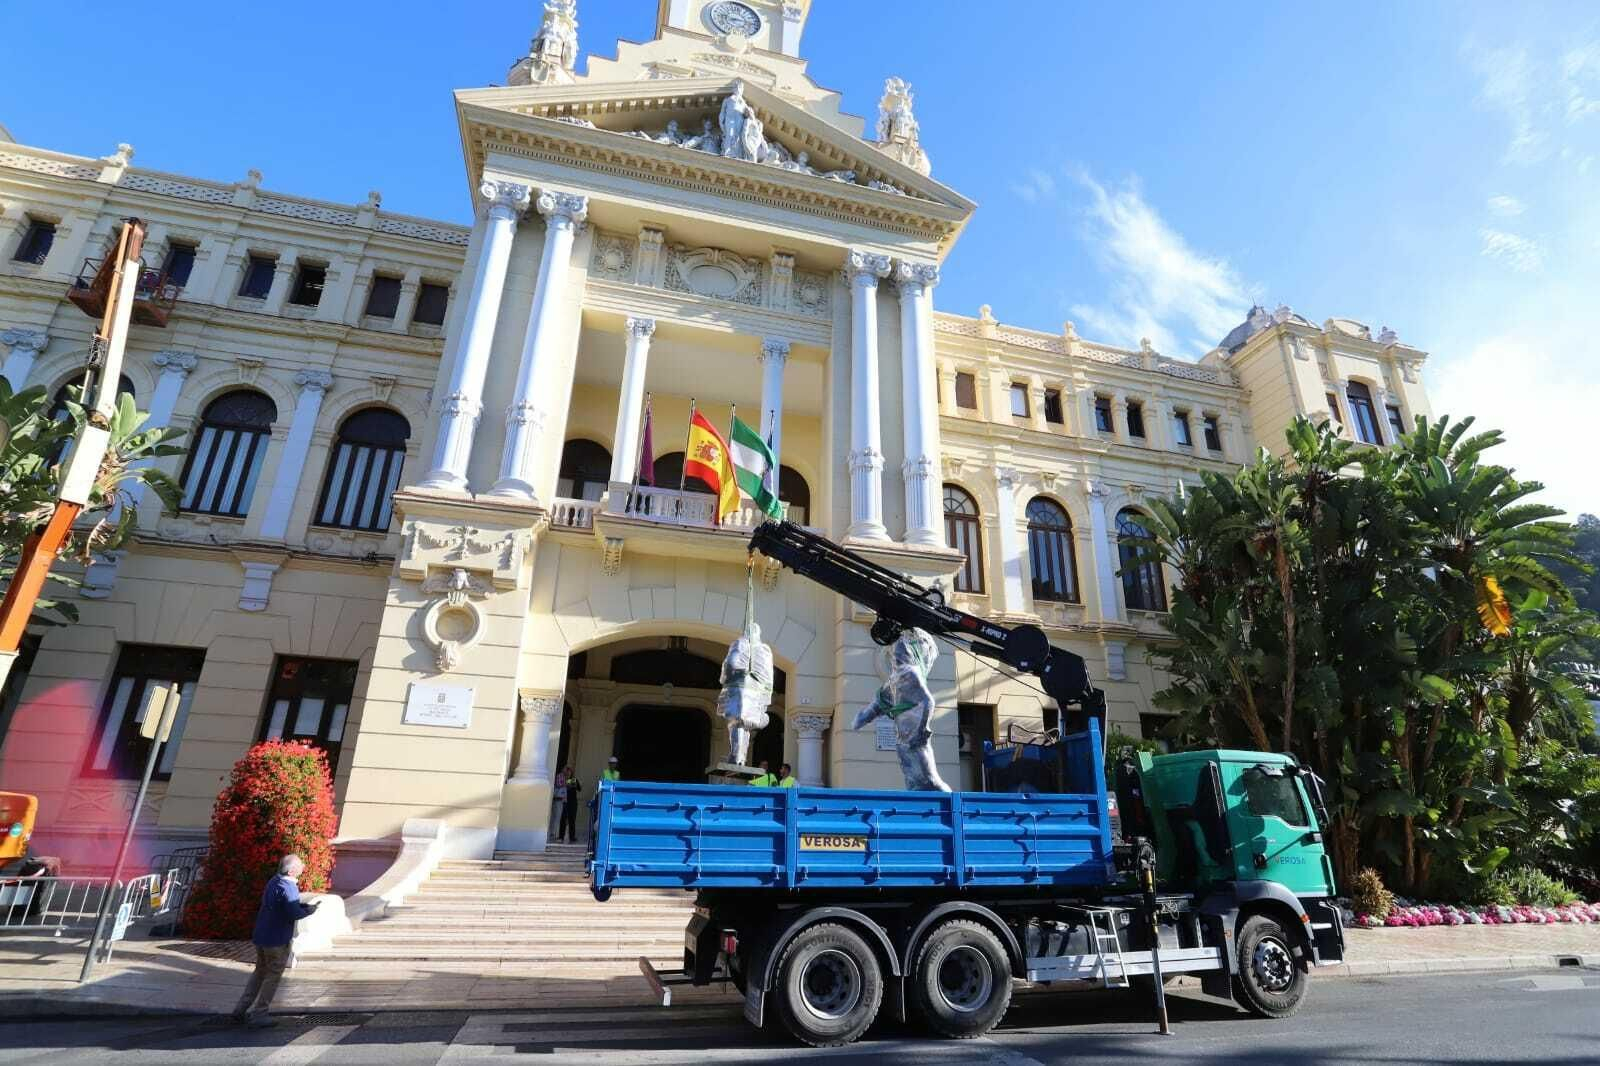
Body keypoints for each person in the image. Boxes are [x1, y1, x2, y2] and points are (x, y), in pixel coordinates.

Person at [232, 854, 319, 1027]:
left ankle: (240, 1009)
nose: (303, 868)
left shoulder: (274, 881)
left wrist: (300, 907)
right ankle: (260, 1013)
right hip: (277, 939)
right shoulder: (289, 887)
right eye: (301, 866)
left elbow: (283, 906)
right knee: (272, 977)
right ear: (292, 870)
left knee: (259, 973)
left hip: (262, 935)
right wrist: (309, 911)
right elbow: (293, 913)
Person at [557, 766, 581, 843]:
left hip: (573, 803)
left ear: (571, 773)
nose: (568, 773)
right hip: (565, 802)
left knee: (572, 820)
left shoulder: (574, 780)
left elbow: (579, 789)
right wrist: (567, 784)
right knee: (563, 819)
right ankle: (561, 836)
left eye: (569, 772)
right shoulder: (565, 780)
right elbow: (561, 786)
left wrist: (574, 784)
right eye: (567, 772)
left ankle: (572, 837)